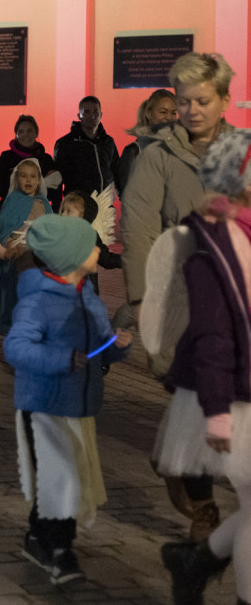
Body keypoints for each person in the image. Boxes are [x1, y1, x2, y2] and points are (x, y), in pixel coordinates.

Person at [121, 52, 235, 540]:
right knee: (193, 392)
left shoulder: (243, 153)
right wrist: (144, 298)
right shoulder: (156, 157)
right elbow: (139, 228)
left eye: (202, 100)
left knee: (224, 397)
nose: (191, 110)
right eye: (183, 101)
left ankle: (178, 460)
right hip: (179, 297)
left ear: (224, 100)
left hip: (236, 295)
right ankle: (204, 509)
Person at [4, 214, 132, 586]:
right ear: (71, 256)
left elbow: (97, 348)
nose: (99, 250)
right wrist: (60, 360)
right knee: (64, 481)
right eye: (93, 246)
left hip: (78, 405)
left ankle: (36, 538)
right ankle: (61, 552)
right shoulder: (39, 300)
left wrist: (117, 346)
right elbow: (16, 348)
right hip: (44, 405)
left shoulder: (86, 295)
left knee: (61, 479)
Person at [154, 130, 251, 604]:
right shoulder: (213, 245)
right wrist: (217, 411)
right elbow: (213, 334)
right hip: (230, 394)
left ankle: (195, 562)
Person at [0, 158, 53, 335]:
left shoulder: (44, 204)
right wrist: (11, 245)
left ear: (39, 180)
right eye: (24, 176)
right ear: (16, 179)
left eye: (33, 177)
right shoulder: (13, 201)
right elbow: (4, 230)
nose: (28, 180)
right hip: (18, 252)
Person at [53, 96, 119, 200]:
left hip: (104, 207)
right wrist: (57, 209)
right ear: (79, 115)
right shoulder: (65, 144)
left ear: (101, 114)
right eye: (86, 112)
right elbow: (57, 180)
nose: (92, 116)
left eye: (95, 111)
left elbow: (117, 172)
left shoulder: (108, 142)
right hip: (77, 207)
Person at [0, 115, 58, 212]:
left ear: (36, 133)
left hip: (39, 211)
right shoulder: (6, 157)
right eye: (21, 132)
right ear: (16, 135)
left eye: (30, 131)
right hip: (10, 209)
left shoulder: (46, 159)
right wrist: (18, 192)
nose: (25, 135)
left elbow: (55, 190)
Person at [116, 89, 176, 196]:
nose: (169, 118)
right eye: (163, 112)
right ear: (148, 113)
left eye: (173, 113)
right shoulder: (133, 152)